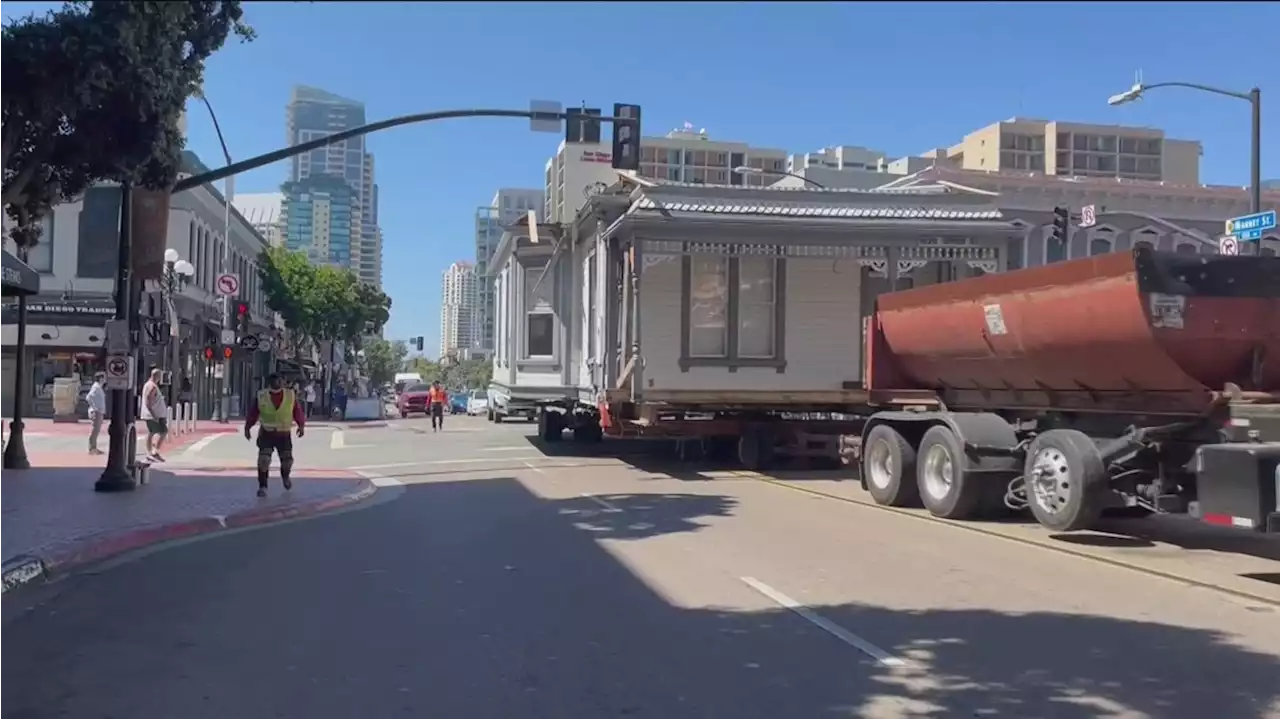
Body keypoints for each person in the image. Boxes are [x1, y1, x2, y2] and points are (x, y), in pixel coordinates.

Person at [244, 373, 306, 497]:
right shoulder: (261, 396)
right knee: (264, 460)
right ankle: (263, 486)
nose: (278, 382)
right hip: (267, 432)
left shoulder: (290, 395)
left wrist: (301, 425)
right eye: (275, 380)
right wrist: (248, 427)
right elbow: (253, 413)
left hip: (284, 433)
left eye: (280, 380)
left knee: (287, 461)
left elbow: (297, 411)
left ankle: (285, 477)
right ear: (269, 382)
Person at [139, 368, 169, 462]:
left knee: (158, 432)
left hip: (156, 414)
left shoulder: (150, 385)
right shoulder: (152, 386)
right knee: (156, 432)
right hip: (153, 415)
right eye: (159, 376)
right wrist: (153, 414)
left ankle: (154, 451)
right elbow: (148, 400)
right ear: (157, 376)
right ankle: (152, 452)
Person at [85, 372, 106, 455]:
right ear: (101, 378)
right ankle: (91, 448)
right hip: (96, 411)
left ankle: (94, 447)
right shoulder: (96, 387)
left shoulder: (98, 387)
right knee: (95, 430)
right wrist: (94, 407)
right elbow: (89, 397)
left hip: (99, 411)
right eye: (104, 378)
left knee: (96, 430)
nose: (105, 380)